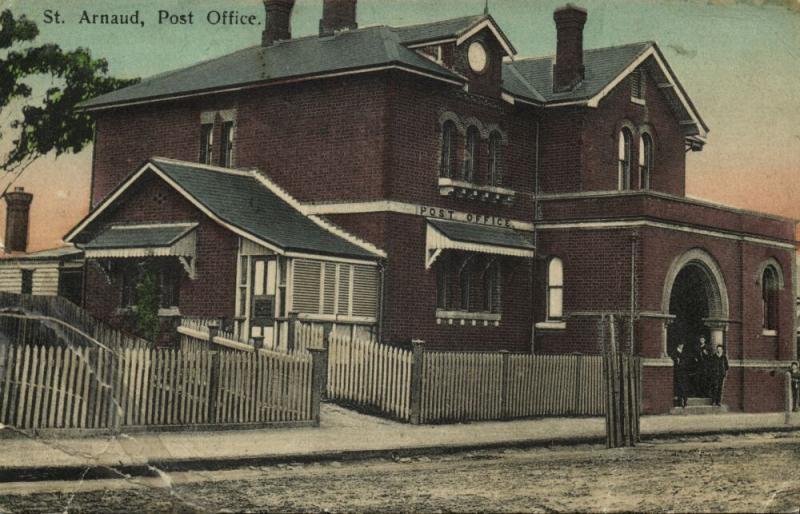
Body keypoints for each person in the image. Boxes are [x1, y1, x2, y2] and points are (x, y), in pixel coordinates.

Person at [671, 342, 689, 408]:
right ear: (678, 345)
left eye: (682, 345)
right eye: (680, 345)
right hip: (678, 372)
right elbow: (674, 360)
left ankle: (684, 400)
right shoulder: (674, 353)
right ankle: (680, 401)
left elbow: (686, 361)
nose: (682, 346)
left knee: (684, 386)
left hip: (683, 372)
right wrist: (677, 360)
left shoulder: (684, 353)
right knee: (679, 386)